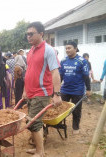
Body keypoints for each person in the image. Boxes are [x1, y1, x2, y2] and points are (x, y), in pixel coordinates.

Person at [22, 22, 62, 157]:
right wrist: (25, 90)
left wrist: (56, 94)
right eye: (27, 34)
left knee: (34, 121)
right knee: (31, 121)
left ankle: (40, 152)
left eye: (31, 34)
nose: (28, 37)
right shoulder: (31, 51)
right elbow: (28, 72)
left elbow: (55, 72)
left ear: (41, 34)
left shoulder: (48, 50)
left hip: (42, 93)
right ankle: (39, 148)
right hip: (31, 92)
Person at [60, 41, 91, 135]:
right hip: (65, 90)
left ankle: (75, 127)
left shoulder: (82, 61)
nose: (67, 50)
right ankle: (59, 124)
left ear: (75, 48)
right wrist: (56, 90)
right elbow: (60, 76)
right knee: (61, 109)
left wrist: (88, 89)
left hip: (77, 90)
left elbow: (86, 76)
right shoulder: (63, 61)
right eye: (66, 48)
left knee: (76, 110)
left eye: (69, 48)